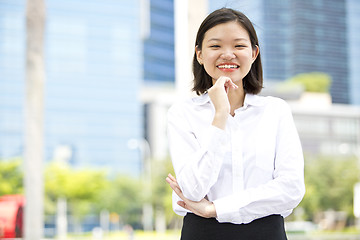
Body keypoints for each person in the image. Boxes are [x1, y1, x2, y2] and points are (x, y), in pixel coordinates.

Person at [165, 8, 305, 240]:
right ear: (199, 54)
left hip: (266, 232)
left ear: (254, 53)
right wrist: (220, 115)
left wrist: (216, 209)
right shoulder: (183, 114)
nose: (227, 54)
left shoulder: (275, 111)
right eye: (216, 46)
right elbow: (192, 190)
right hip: (202, 233)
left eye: (239, 46)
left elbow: (291, 189)